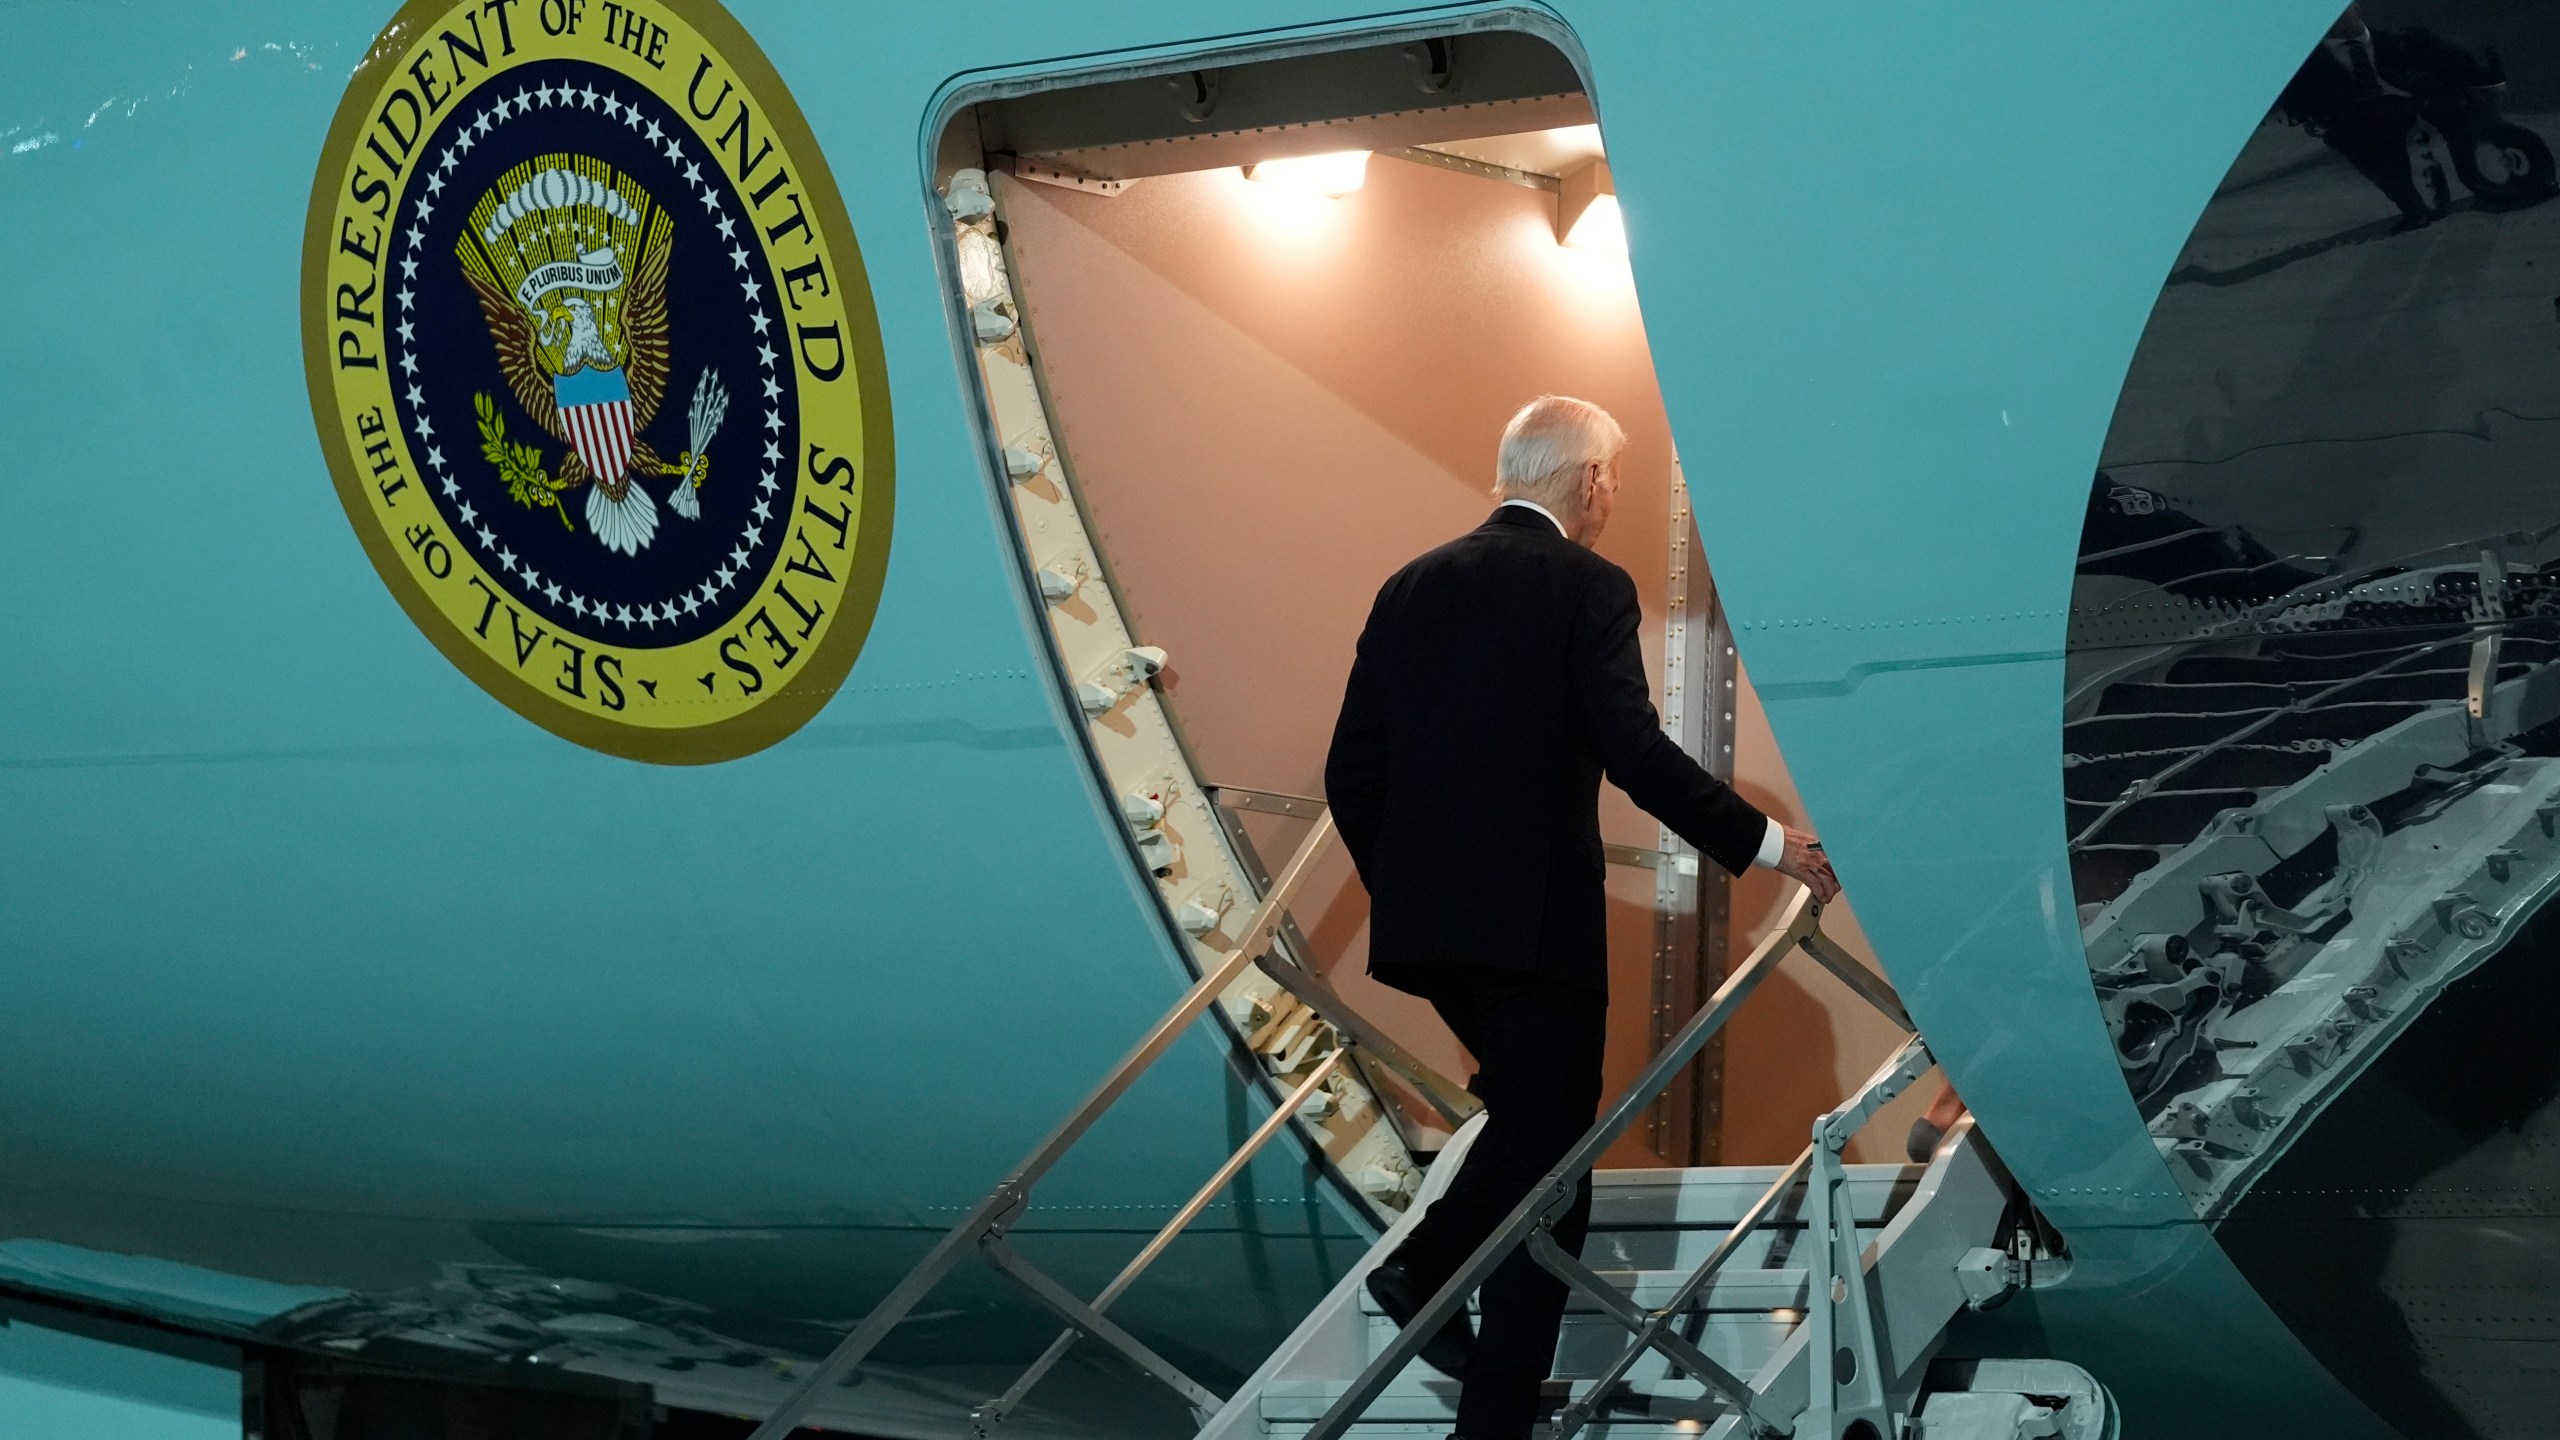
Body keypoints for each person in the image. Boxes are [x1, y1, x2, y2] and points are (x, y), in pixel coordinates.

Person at [1324, 395, 1839, 1440]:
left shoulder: (1408, 585)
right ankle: (1451, 1333)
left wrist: (1411, 890)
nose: (1614, 499)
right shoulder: (1585, 584)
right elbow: (1635, 754)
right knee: (1555, 1167)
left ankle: (1452, 1334)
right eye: (1615, 482)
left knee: (1529, 1130)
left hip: (1431, 934)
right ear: (1592, 483)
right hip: (1533, 930)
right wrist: (1778, 850)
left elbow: (1350, 773)